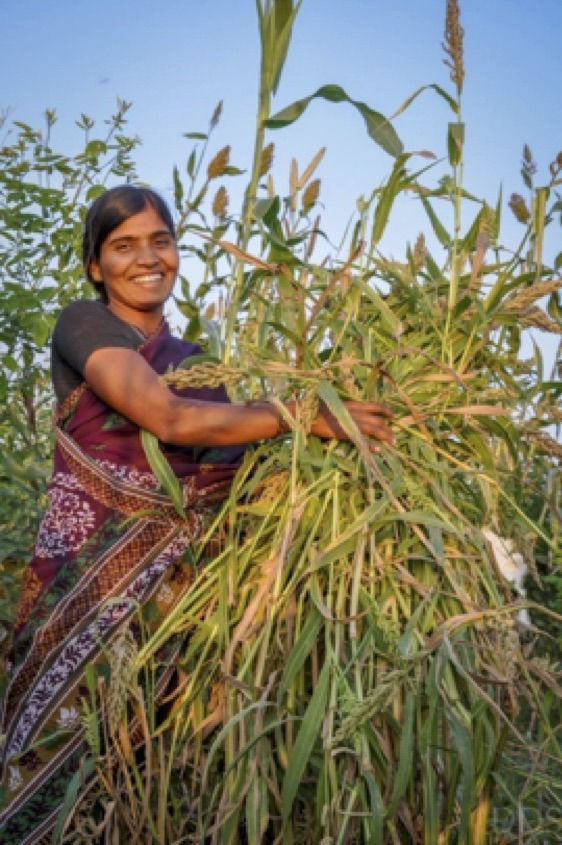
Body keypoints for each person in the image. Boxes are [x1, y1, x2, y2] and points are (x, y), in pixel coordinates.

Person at [0, 185, 393, 843]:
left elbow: (230, 483)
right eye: (123, 245)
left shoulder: (202, 367)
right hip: (83, 592)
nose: (146, 258)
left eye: (161, 240)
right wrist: (303, 415)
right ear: (96, 266)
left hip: (179, 615)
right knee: (48, 765)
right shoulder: (84, 323)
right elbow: (167, 417)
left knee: (147, 788)